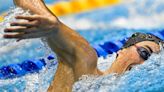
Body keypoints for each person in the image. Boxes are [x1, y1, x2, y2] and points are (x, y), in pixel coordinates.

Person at [3, 0, 163, 92]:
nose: (147, 63)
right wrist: (50, 24)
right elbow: (57, 29)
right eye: (144, 53)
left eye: (153, 62)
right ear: (121, 51)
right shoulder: (86, 63)